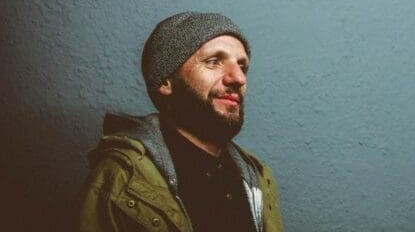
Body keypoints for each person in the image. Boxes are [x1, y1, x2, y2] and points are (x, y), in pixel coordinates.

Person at [75, 12, 284, 231]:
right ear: (166, 81)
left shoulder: (258, 178)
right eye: (214, 62)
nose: (238, 78)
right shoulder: (121, 178)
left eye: (242, 66)